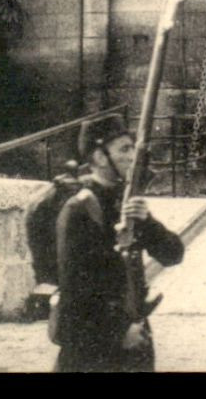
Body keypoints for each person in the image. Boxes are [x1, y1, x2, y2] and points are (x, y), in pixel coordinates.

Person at [53, 114, 185, 372]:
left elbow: (173, 254)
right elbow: (75, 289)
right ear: (101, 157)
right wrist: (119, 332)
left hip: (134, 336)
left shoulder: (124, 202)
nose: (133, 157)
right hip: (94, 347)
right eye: (124, 149)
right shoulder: (80, 209)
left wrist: (147, 222)